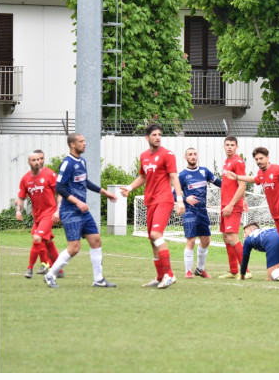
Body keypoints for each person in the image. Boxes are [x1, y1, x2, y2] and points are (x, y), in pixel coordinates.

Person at [43, 133, 118, 288]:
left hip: (82, 211)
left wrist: (104, 192)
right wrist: (77, 202)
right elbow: (59, 187)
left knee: (96, 240)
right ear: (72, 145)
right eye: (81, 141)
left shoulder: (81, 161)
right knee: (74, 248)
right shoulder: (67, 163)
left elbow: (85, 182)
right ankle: (50, 275)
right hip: (70, 211)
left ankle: (98, 279)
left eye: (84, 140)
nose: (84, 143)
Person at [224, 147, 279, 281]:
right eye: (256, 159)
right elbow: (254, 179)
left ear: (268, 157)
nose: (259, 161)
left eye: (261, 158)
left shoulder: (278, 169)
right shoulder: (261, 174)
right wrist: (237, 177)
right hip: (276, 215)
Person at [120, 123, 185, 289]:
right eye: (154, 134)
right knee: (152, 240)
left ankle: (170, 275)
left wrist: (179, 199)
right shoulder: (144, 156)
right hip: (150, 201)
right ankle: (160, 276)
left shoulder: (167, 154)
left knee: (156, 235)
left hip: (164, 200)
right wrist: (129, 188)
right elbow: (143, 177)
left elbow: (174, 177)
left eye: (159, 134)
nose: (158, 137)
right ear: (147, 138)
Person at [176, 147, 221, 279]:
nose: (193, 156)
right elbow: (173, 194)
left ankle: (200, 269)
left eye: (195, 154)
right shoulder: (182, 175)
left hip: (202, 211)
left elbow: (219, 183)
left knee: (206, 240)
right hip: (190, 212)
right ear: (186, 157)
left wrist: (235, 185)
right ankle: (188, 271)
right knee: (191, 240)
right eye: (190, 154)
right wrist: (185, 199)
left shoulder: (204, 171)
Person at [16, 152, 61, 278]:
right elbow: (20, 197)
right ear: (29, 162)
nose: (37, 162)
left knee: (37, 238)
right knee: (48, 242)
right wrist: (18, 210)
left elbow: (60, 193)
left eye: (39, 159)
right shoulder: (25, 179)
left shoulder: (49, 174)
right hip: (37, 216)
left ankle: (32, 268)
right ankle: (59, 270)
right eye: (34, 160)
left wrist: (58, 210)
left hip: (49, 213)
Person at [218, 135, 251, 279]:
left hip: (231, 206)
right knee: (226, 237)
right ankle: (233, 270)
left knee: (232, 237)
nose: (230, 147)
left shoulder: (238, 162)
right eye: (227, 144)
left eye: (232, 145)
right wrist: (243, 199)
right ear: (224, 146)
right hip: (225, 204)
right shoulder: (227, 161)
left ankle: (246, 271)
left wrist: (232, 204)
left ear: (237, 147)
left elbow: (242, 184)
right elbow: (236, 186)